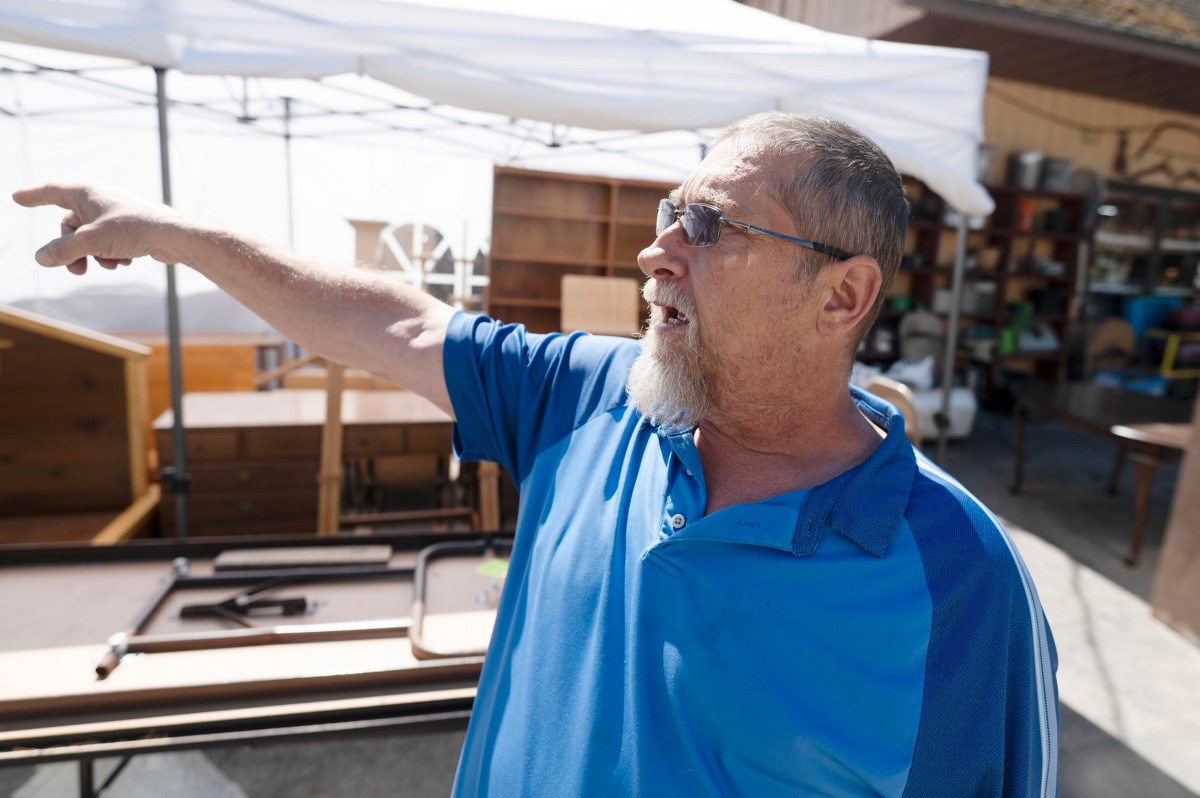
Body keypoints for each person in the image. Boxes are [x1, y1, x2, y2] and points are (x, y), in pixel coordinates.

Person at [14, 111, 1058, 797]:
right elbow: (400, 325)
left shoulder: (963, 579)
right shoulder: (590, 398)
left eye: (710, 224)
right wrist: (179, 235)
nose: (657, 250)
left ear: (843, 295)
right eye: (666, 214)